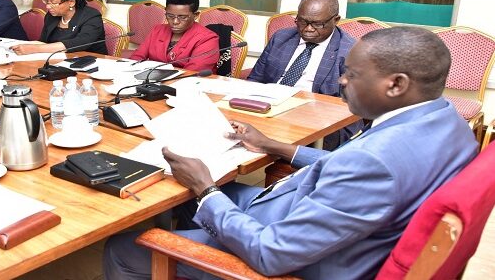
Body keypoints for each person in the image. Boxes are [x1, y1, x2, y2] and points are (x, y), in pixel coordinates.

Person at [103, 27, 479, 279]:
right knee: (190, 194)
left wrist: (206, 189)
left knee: (127, 244)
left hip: (295, 256)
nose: (341, 81)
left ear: (396, 84)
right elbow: (355, 169)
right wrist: (273, 146)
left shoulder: (375, 162)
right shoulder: (447, 122)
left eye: (351, 73)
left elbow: (272, 254)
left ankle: (181, 253)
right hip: (308, 214)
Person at [248, 0, 360, 148]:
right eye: (302, 22)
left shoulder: (350, 51)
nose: (308, 29)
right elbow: (255, 80)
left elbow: (349, 106)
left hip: (321, 120)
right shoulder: (281, 38)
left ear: (336, 20)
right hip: (271, 109)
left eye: (317, 24)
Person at [11, 0, 106, 55]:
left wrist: (35, 49)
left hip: (91, 64)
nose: (48, 7)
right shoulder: (52, 16)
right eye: (47, 1)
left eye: (53, 2)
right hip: (58, 62)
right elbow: (43, 42)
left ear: (71, 2)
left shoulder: (92, 16)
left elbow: (78, 43)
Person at [130, 0, 219, 72]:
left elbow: (193, 72)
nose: (175, 22)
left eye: (182, 17)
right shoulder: (157, 30)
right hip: (152, 81)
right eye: (170, 16)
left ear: (195, 15)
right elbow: (136, 57)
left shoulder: (208, 38)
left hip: (188, 84)